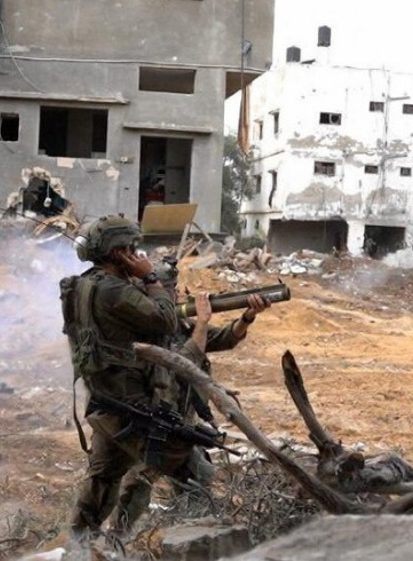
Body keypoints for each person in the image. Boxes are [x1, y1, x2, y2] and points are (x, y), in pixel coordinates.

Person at [60, 215, 268, 542]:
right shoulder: (119, 295)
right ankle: (191, 543)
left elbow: (218, 337)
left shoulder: (88, 288)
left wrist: (246, 316)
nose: (136, 255)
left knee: (104, 479)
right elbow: (176, 345)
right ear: (115, 252)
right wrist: (155, 281)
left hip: (110, 404)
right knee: (194, 474)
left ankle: (86, 547)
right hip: (136, 408)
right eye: (128, 249)